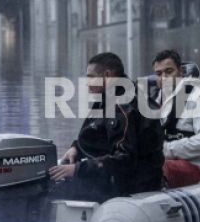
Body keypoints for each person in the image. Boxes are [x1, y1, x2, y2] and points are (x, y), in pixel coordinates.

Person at [48, 52, 164, 202]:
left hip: (132, 185)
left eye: (90, 77)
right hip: (114, 177)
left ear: (107, 75)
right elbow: (95, 132)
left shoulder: (124, 107)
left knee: (53, 191)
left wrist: (77, 170)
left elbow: (124, 159)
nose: (87, 83)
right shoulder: (109, 97)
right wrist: (76, 148)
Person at [152, 49, 200, 188]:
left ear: (181, 72)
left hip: (195, 168)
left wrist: (167, 150)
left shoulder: (198, 98)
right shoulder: (152, 103)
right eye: (159, 74)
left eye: (169, 71)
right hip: (161, 162)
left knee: (155, 168)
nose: (164, 77)